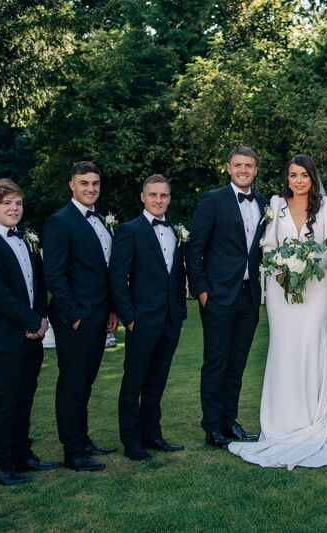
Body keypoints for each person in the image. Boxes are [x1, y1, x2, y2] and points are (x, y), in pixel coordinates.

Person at [228, 154, 327, 469]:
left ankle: (311, 417)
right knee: (284, 350)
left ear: (312, 177)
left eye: (304, 175)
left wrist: (308, 266)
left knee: (311, 344)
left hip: (316, 289)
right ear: (287, 178)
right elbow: (268, 246)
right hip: (281, 290)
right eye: (293, 175)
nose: (298, 181)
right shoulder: (277, 205)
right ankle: (281, 421)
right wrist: (280, 268)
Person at [0, 178, 59, 485]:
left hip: (31, 338)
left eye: (18, 203)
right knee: (6, 402)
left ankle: (22, 455)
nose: (13, 208)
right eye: (6, 203)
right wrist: (34, 322)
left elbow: (38, 286)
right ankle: (0, 466)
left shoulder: (28, 241)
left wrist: (41, 317)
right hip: (3, 338)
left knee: (25, 399)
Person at [186, 147, 266, 447]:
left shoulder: (262, 202)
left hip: (249, 296)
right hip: (218, 295)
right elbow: (195, 249)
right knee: (216, 361)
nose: (243, 170)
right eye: (238, 165)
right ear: (228, 168)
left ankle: (230, 421)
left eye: (249, 165)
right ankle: (212, 426)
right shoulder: (212, 200)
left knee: (237, 362)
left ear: (255, 169)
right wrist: (202, 292)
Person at [44, 161, 119, 472]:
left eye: (95, 183)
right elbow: (54, 274)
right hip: (76, 318)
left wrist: (112, 309)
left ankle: (83, 439)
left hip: (100, 315)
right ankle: (73, 452)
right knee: (73, 383)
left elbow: (107, 271)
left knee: (86, 382)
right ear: (71, 185)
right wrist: (72, 315)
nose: (91, 188)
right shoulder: (60, 222)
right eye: (84, 183)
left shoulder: (101, 220)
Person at [108, 174, 187, 462]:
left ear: (169, 197)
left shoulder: (176, 231)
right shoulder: (130, 230)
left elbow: (178, 275)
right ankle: (131, 441)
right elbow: (118, 276)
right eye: (153, 195)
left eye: (163, 195)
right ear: (143, 197)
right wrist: (128, 316)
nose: (158, 200)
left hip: (170, 319)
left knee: (157, 381)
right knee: (134, 382)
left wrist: (178, 310)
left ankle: (152, 434)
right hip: (141, 320)